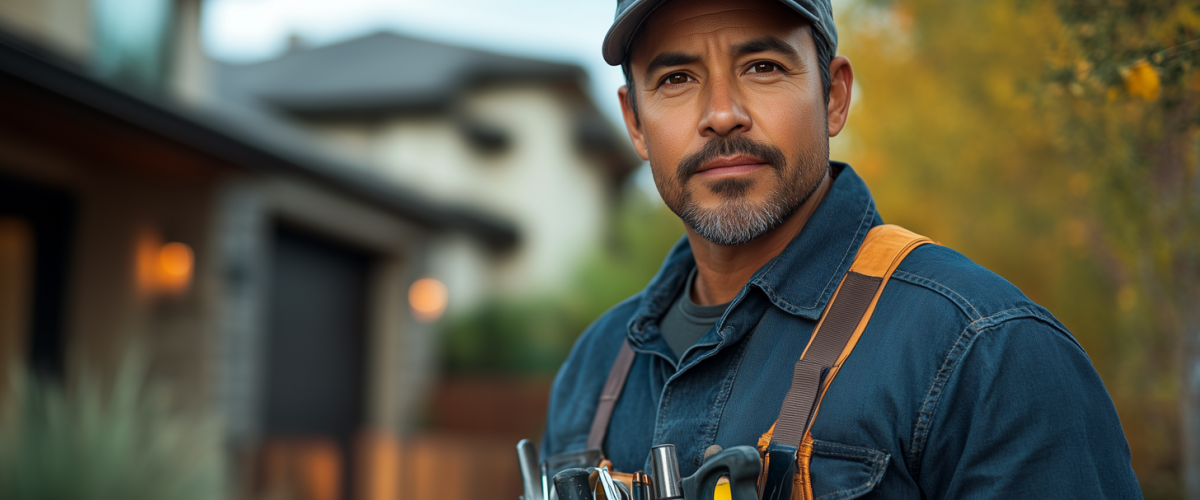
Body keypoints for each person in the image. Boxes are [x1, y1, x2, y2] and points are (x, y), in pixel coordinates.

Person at [540, 0, 1143, 497]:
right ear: (636, 123)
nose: (721, 114)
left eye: (763, 67)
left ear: (833, 96)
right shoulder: (592, 369)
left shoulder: (986, 352)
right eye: (676, 79)